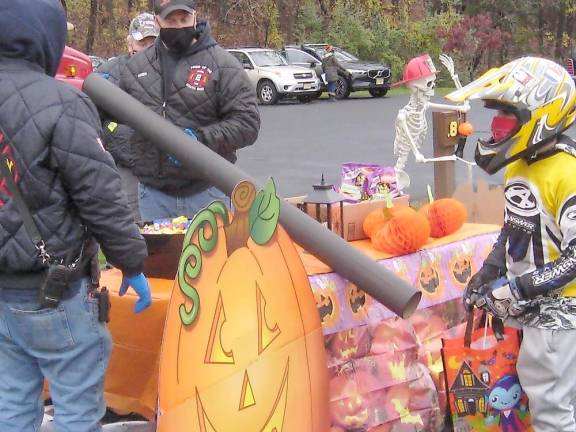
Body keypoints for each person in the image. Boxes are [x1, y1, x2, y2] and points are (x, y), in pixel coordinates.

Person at [0, 1, 151, 431]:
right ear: (45, 37)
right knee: (77, 408)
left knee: (10, 404)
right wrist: (132, 262)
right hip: (54, 293)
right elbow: (100, 196)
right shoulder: (62, 103)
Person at [458, 57, 576, 431]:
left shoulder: (566, 173)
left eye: (507, 117)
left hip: (560, 316)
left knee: (552, 411)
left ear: (540, 116)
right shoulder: (520, 166)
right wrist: (490, 269)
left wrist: (517, 289)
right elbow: (514, 228)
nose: (496, 127)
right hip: (533, 309)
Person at [119, 0, 260, 221]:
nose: (178, 26)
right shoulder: (136, 68)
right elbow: (112, 120)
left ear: (195, 16)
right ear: (157, 22)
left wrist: (201, 140)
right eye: (170, 20)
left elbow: (247, 123)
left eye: (184, 19)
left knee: (213, 256)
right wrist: (136, 154)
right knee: (161, 257)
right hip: (154, 195)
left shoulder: (223, 65)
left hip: (207, 190)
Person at [97, 12, 159, 221]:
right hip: (124, 167)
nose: (148, 48)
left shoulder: (172, 73)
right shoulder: (109, 73)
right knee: (129, 226)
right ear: (130, 43)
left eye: (154, 42)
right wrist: (118, 135)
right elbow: (91, 120)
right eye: (143, 42)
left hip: (161, 171)